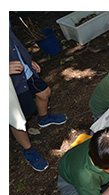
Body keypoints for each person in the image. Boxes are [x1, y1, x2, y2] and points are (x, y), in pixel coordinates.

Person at [9, 25, 66, 172]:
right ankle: (28, 150)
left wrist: (27, 59)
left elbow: (12, 41)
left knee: (44, 92)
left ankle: (44, 118)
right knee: (17, 119)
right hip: (9, 82)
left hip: (23, 70)